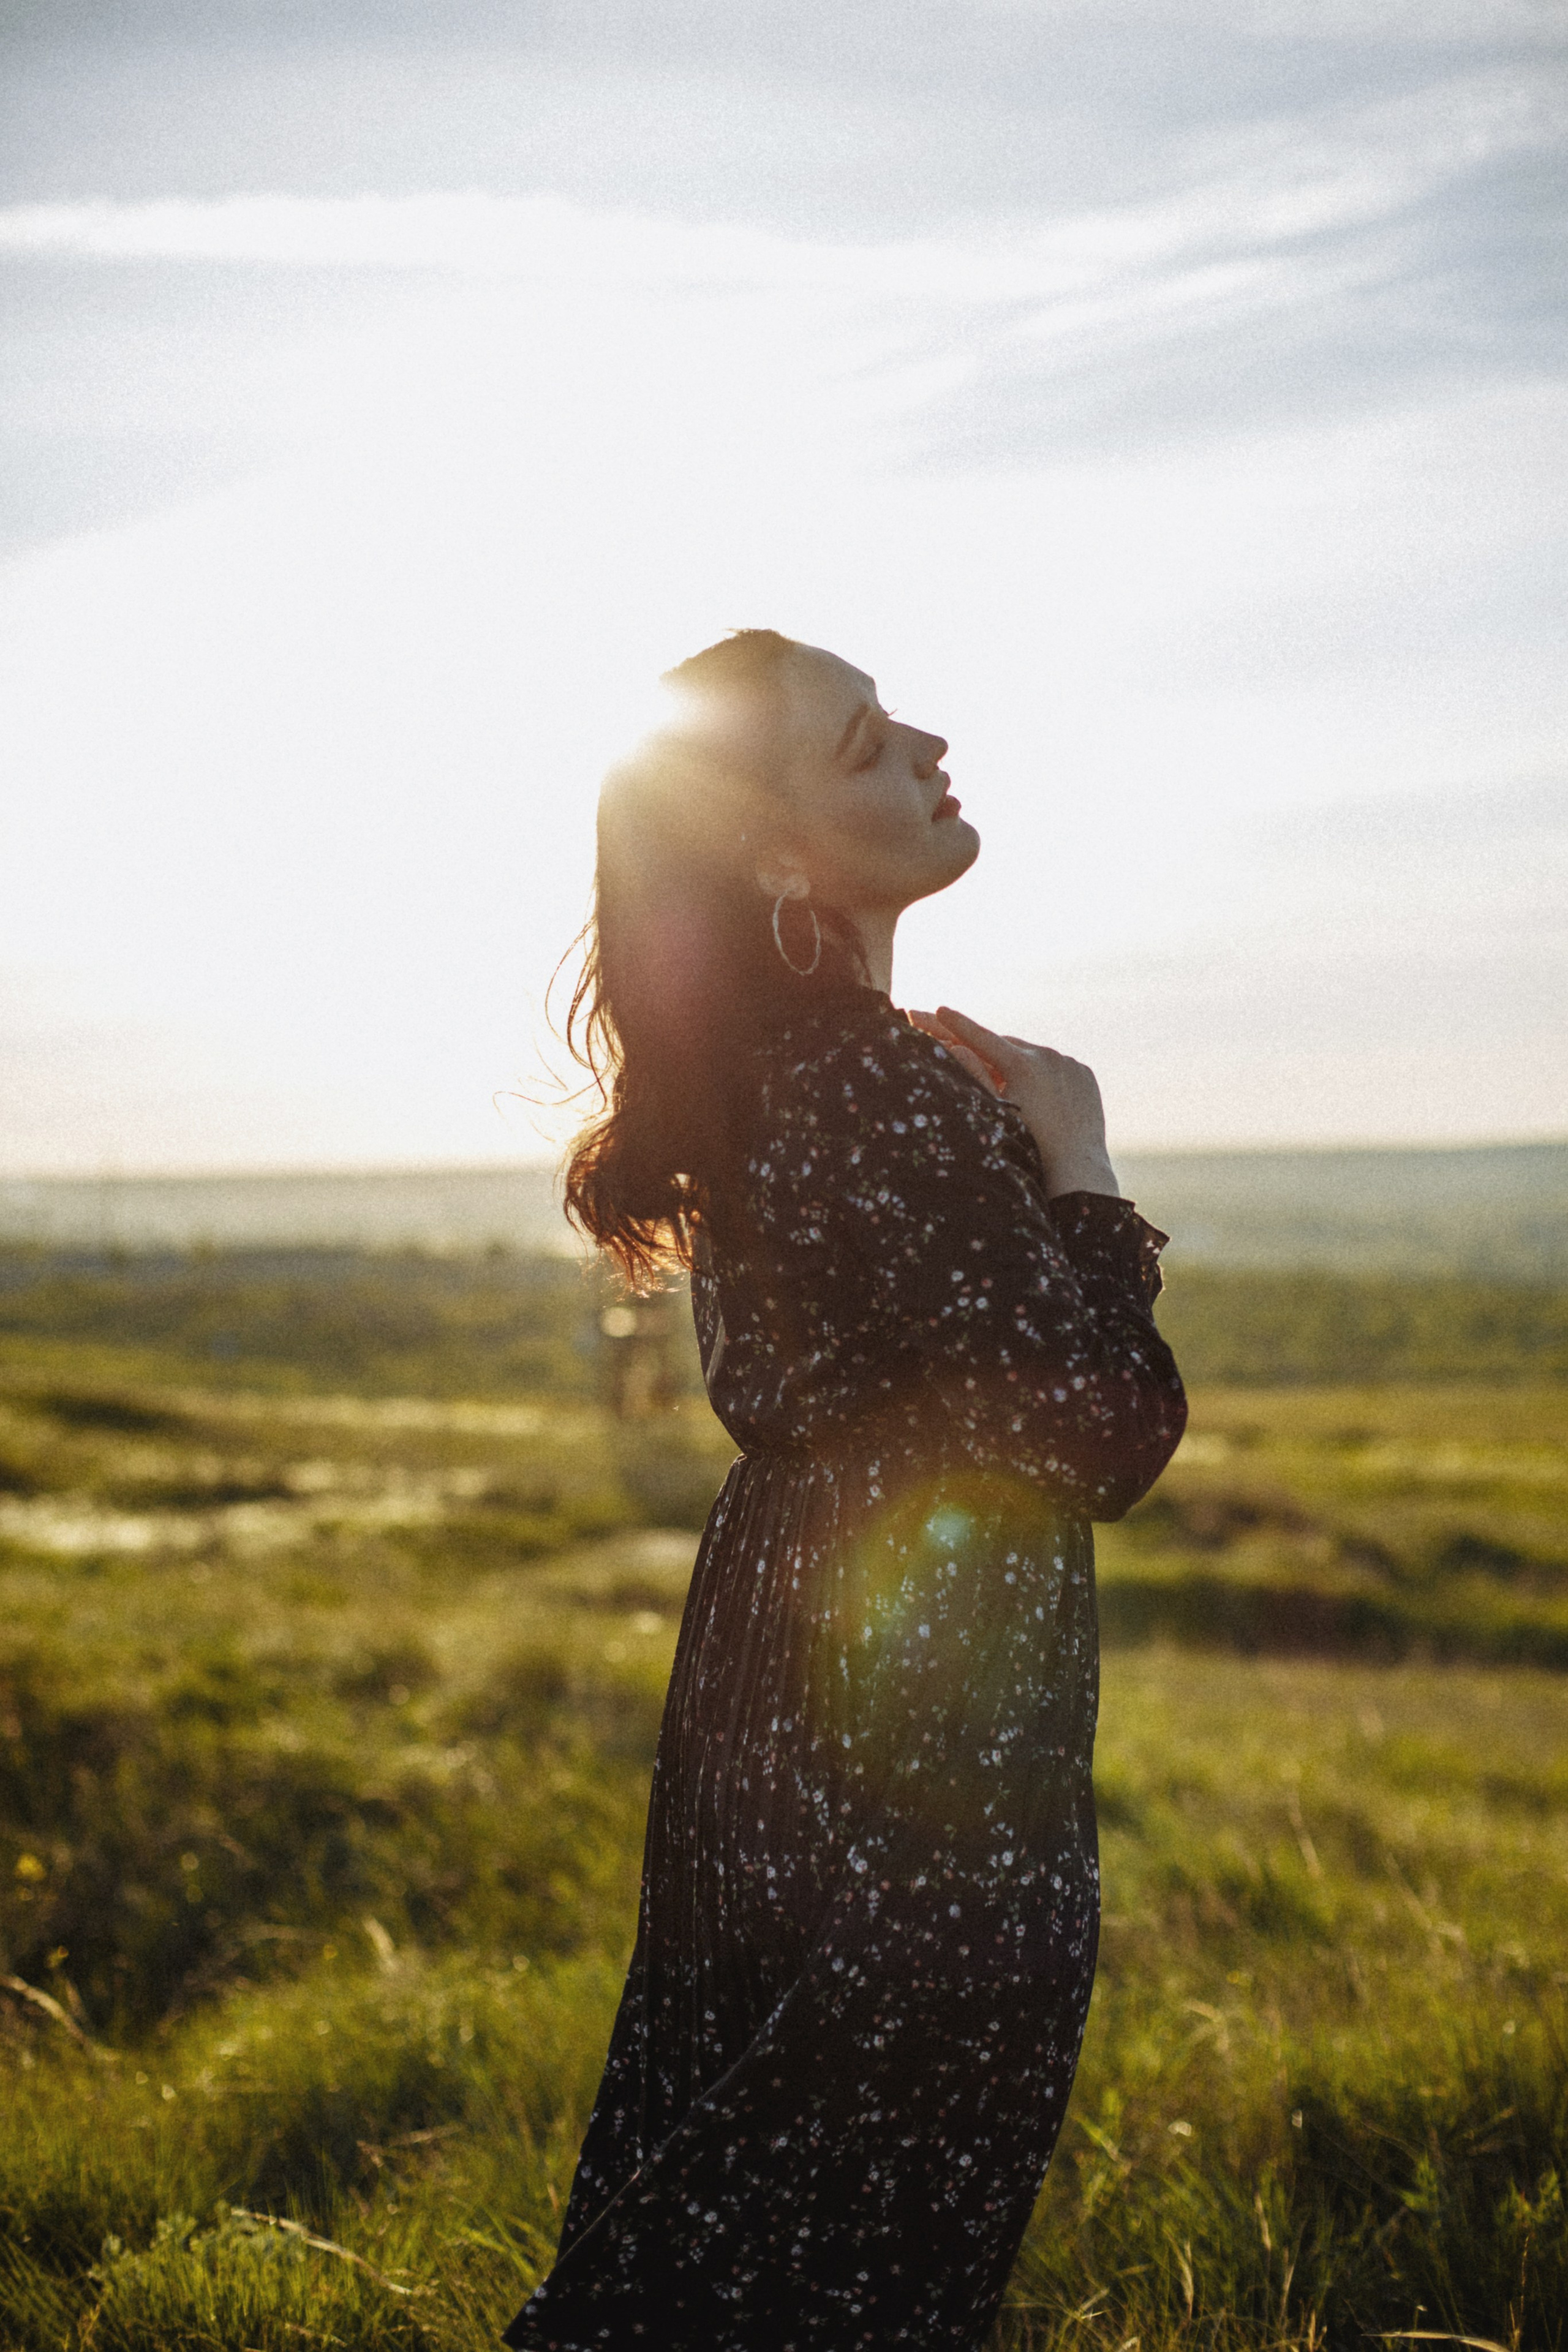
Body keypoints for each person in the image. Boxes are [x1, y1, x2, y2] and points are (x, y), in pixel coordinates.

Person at [503, 629, 1187, 2351]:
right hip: (912, 1781)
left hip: (812, 1729)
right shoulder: (864, 1088)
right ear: (776, 855)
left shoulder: (799, 1083)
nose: (932, 744)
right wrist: (1087, 1169)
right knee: (840, 2249)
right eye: (870, 742)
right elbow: (1104, 1426)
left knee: (747, 2217)